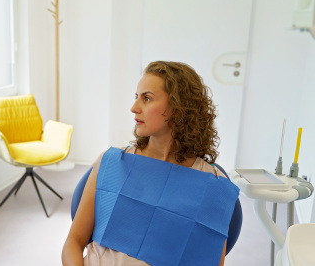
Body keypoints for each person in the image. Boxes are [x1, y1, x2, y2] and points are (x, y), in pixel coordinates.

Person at [62, 61, 239, 266]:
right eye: (136, 97)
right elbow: (73, 242)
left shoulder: (213, 186)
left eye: (147, 98)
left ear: (178, 107)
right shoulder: (110, 163)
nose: (134, 108)